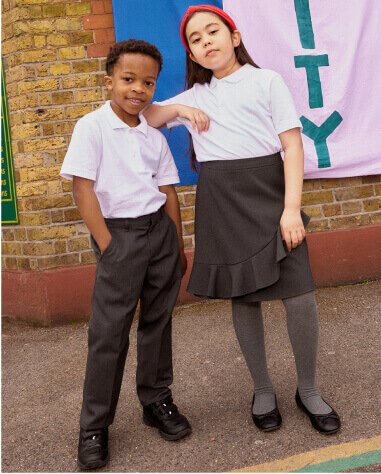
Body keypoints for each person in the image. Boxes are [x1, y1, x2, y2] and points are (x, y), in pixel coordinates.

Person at [144, 5, 341, 435]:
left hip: (271, 196)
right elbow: (147, 115)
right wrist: (179, 112)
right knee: (244, 297)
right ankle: (263, 389)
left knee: (300, 296)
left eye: (212, 31)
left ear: (234, 36)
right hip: (222, 200)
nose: (205, 41)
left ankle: (307, 389)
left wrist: (291, 209)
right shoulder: (195, 96)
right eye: (195, 40)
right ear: (192, 56)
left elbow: (292, 147)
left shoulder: (266, 81)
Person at [60, 39, 195, 470]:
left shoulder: (152, 134)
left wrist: (177, 241)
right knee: (108, 334)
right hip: (118, 237)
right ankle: (94, 426)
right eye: (128, 79)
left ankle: (156, 401)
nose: (138, 89)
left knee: (157, 323)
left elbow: (167, 189)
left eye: (148, 82)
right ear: (110, 81)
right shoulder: (92, 127)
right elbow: (82, 187)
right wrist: (107, 245)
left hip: (158, 234)